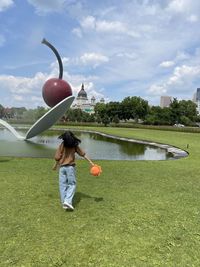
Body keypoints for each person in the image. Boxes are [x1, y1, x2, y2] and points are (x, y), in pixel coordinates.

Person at [52, 130, 94, 211]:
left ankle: (64, 202)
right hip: (70, 168)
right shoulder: (74, 145)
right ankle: (67, 201)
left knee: (62, 185)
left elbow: (57, 157)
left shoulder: (62, 145)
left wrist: (55, 166)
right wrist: (91, 162)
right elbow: (83, 154)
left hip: (62, 168)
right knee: (72, 184)